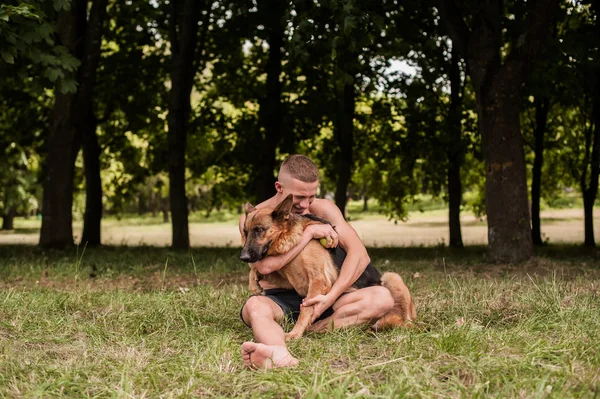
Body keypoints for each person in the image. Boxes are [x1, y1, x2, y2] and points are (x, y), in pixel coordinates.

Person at [239, 154, 394, 369]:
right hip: (280, 300)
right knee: (254, 307)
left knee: (383, 298)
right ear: (279, 187)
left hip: (326, 300)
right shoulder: (254, 218)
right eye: (299, 197)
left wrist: (329, 297)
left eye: (311, 196)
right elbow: (265, 266)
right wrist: (309, 232)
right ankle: (279, 353)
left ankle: (312, 328)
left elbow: (360, 255)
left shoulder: (324, 209)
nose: (305, 205)